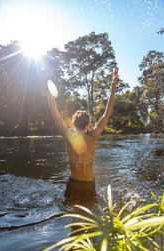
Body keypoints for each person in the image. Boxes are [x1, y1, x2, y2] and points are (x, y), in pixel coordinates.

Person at [48, 66, 119, 202]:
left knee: (72, 217)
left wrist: (50, 95)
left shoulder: (68, 136)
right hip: (88, 184)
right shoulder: (93, 136)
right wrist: (113, 86)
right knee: (90, 216)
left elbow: (56, 116)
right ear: (88, 126)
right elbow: (107, 113)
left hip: (73, 182)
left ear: (73, 125)